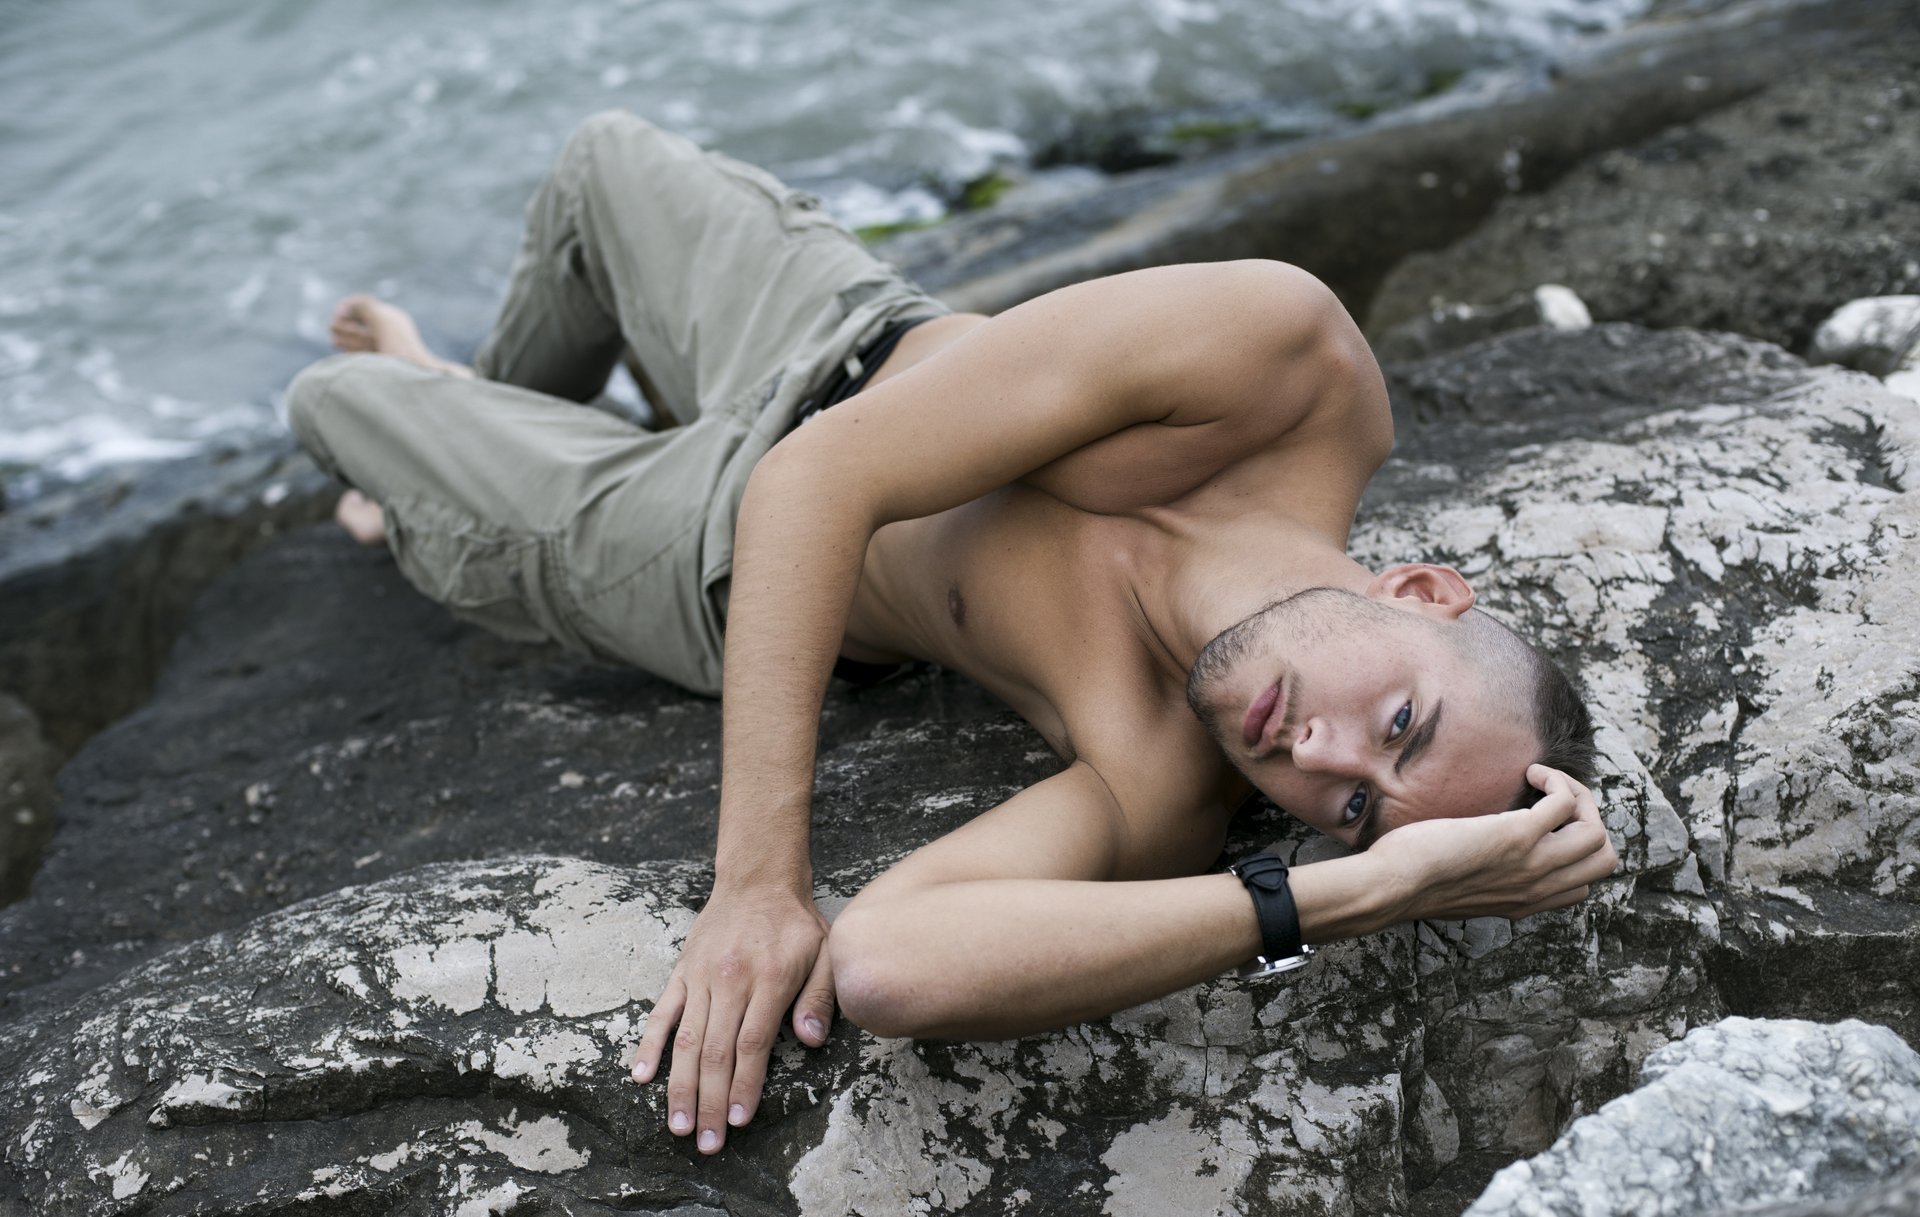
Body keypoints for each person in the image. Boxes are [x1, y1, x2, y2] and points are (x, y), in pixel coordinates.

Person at [285, 110, 1615, 1157]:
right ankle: (480, 411)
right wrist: (754, 883)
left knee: (336, 396)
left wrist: (1342, 897)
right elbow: (822, 465)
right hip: (850, 339)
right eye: (1400, 725)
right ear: (1425, 592)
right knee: (597, 167)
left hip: (710, 551)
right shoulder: (1293, 369)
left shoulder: (1153, 773)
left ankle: (427, 459)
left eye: (1351, 813)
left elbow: (883, 960)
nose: (1325, 759)